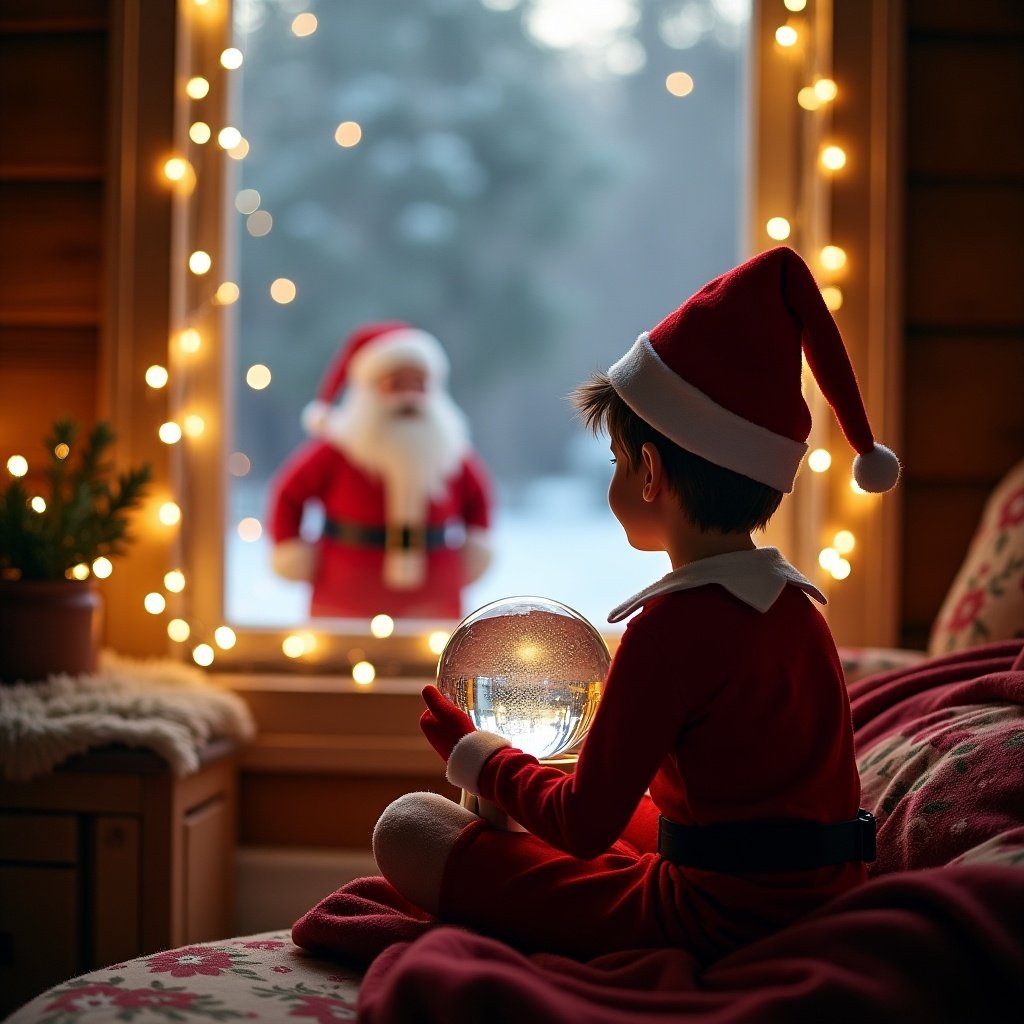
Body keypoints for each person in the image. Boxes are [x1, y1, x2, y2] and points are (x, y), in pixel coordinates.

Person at [300, 246, 901, 964]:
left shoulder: (670, 629)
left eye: (618, 462)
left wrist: (479, 757)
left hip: (712, 918)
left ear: (650, 473)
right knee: (542, 797)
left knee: (408, 827)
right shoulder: (798, 609)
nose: (616, 478)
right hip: (815, 896)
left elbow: (586, 826)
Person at [267, 322, 494, 619]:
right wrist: (291, 549)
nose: (410, 396)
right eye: (397, 384)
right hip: (344, 598)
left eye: (419, 384)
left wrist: (476, 547)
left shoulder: (448, 451)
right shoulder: (336, 452)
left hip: (434, 600)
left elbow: (478, 501)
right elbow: (290, 495)